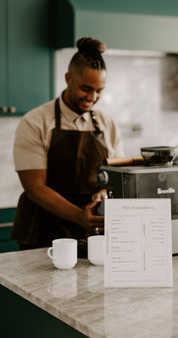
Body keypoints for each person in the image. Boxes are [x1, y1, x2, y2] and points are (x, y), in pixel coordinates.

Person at [12, 37, 123, 250]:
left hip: (92, 233)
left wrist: (102, 195)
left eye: (99, 91)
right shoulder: (35, 122)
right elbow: (35, 187)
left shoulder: (108, 124)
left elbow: (114, 179)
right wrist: (80, 217)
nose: (92, 97)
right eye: (86, 88)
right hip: (42, 231)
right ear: (68, 78)